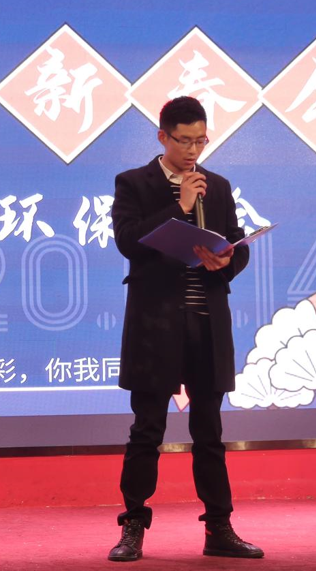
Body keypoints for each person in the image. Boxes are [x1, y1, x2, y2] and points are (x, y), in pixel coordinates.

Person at [107, 96, 263, 562]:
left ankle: (219, 528)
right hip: (155, 325)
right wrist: (180, 205)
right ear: (163, 137)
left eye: (201, 140)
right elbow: (128, 242)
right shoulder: (134, 183)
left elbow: (235, 242)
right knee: (147, 429)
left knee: (209, 431)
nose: (193, 150)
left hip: (206, 324)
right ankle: (133, 527)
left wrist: (228, 259)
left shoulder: (219, 186)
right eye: (184, 141)